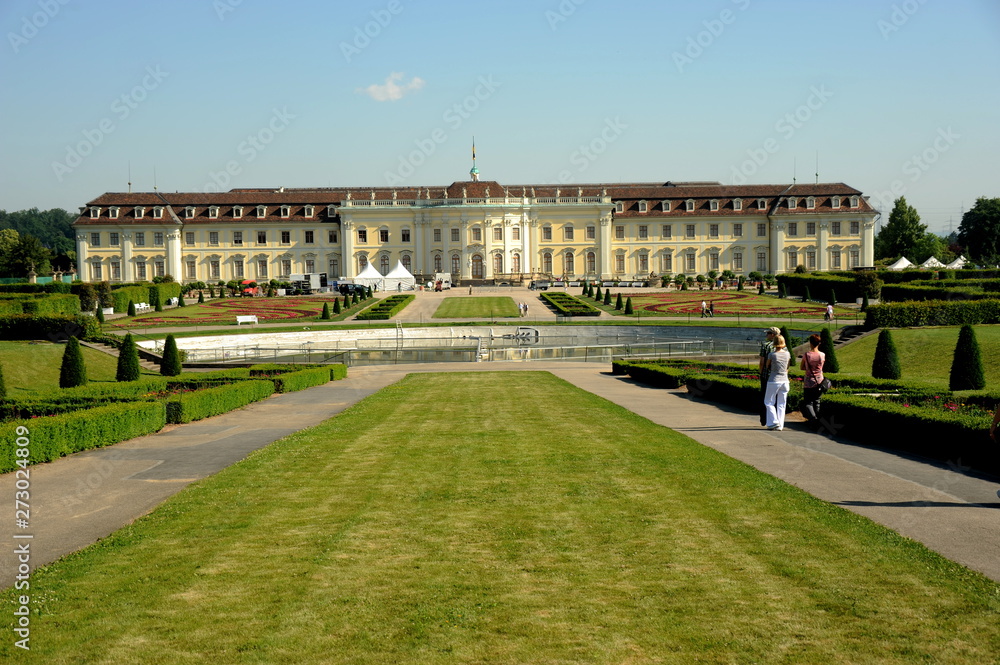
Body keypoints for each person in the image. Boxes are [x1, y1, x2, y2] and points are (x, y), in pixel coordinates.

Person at [764, 334, 791, 431]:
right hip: (785, 380)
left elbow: (767, 366)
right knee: (781, 404)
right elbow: (787, 366)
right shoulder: (787, 354)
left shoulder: (772, 354)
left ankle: (773, 421)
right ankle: (780, 425)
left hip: (774, 380)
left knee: (768, 402)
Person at [799, 334, 826, 424]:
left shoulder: (807, 355)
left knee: (808, 402)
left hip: (809, 381)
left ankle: (813, 419)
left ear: (810, 343)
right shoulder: (822, 355)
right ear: (819, 343)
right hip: (820, 381)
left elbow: (801, 367)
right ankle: (818, 419)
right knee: (817, 401)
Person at [758, 327, 780, 425]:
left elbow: (762, 362)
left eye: (768, 333)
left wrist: (760, 372)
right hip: (778, 376)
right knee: (776, 398)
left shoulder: (766, 345)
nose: (766, 335)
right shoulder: (784, 347)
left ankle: (764, 418)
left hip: (766, 375)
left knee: (765, 397)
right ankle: (775, 419)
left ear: (773, 335)